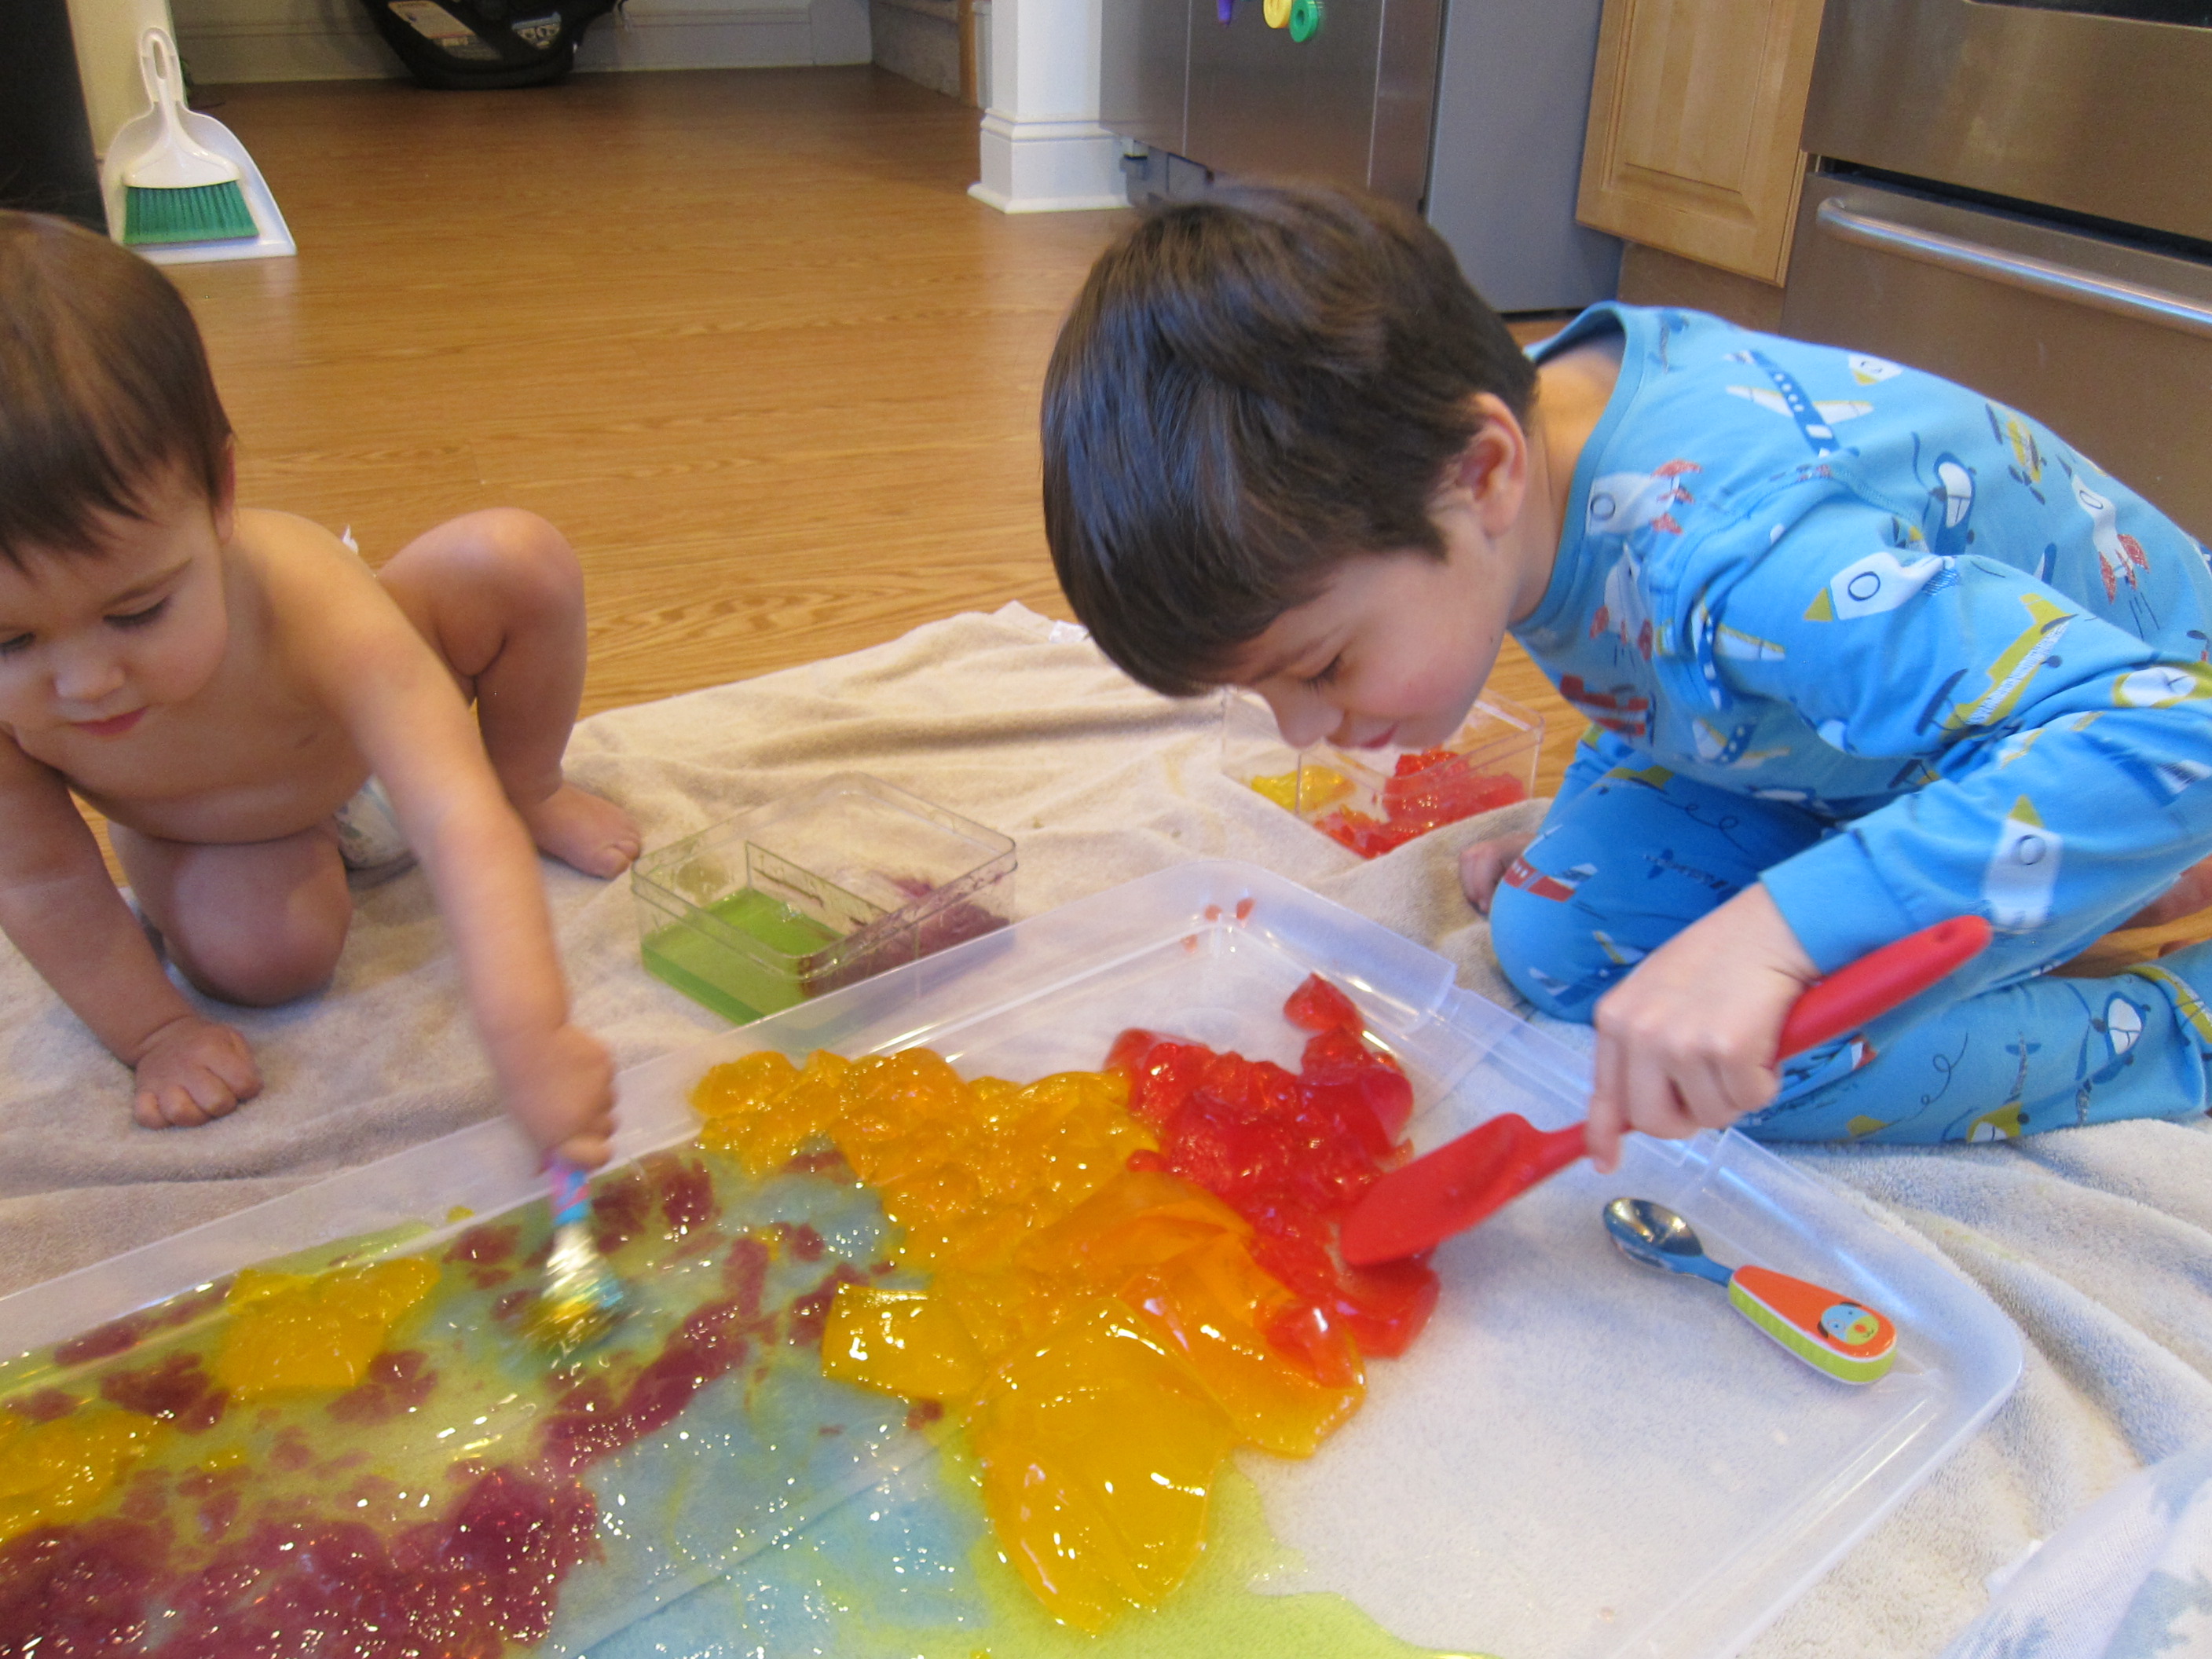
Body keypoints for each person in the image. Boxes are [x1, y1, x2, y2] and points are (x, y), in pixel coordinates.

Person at [1042, 183, 2212, 1169]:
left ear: (1482, 468)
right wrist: (1619, 800)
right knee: (1563, 949)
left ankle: (2174, 1028)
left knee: (1757, 1059)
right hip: (1867, 744)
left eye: (1325, 664)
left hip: (2126, 761)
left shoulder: (1738, 553)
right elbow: (1680, 666)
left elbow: (2176, 737)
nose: (1306, 731)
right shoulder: (1534, 459)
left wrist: (1772, 937)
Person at [0, 211, 639, 1168]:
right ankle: (191, 885)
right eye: (9, 640)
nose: (89, 681)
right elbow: (42, 878)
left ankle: (534, 785)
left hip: (370, 730)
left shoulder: (301, 593)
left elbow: (453, 818)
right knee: (267, 960)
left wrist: (528, 1034)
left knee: (519, 561)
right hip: (216, 826)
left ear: (217, 497)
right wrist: (154, 1033)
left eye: (137, 612)